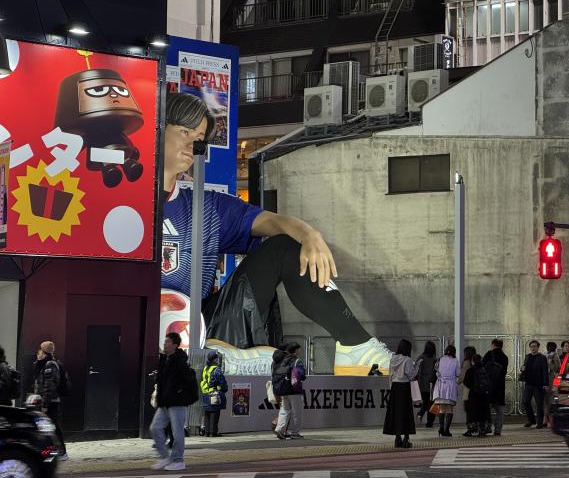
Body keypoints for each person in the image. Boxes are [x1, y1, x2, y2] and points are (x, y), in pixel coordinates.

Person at [161, 93, 391, 376]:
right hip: (140, 332)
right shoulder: (122, 205)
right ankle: (208, 356)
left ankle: (356, 349)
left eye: (198, 137)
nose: (192, 144)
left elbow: (272, 221)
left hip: (203, 329)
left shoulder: (206, 207)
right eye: (184, 132)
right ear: (158, 129)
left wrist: (309, 235)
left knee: (285, 247)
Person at [151, 332, 198, 472]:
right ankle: (164, 456)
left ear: (175, 345)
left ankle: (178, 460)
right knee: (155, 428)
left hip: (177, 403)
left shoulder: (180, 361)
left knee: (177, 433)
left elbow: (189, 381)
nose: (165, 344)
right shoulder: (164, 359)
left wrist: (180, 394)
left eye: (168, 342)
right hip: (165, 402)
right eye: (165, 342)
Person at [33, 341, 67, 459]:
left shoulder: (50, 365)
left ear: (45, 352)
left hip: (50, 403)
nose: (38, 352)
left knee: (53, 427)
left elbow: (50, 386)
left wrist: (45, 405)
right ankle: (48, 451)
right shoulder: (43, 364)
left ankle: (62, 452)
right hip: (45, 402)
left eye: (40, 350)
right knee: (46, 427)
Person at [383, 339, 416, 449]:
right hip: (404, 387)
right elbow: (411, 375)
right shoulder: (408, 360)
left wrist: (391, 387)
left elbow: (390, 375)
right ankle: (406, 439)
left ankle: (397, 439)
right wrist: (417, 368)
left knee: (396, 414)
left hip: (395, 388)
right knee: (406, 413)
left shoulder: (393, 359)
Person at [272, 342, 306, 440]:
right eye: (299, 349)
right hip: (294, 390)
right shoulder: (296, 360)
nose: (300, 351)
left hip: (283, 389)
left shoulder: (280, 360)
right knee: (297, 412)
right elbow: (301, 375)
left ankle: (280, 429)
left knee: (284, 410)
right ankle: (295, 433)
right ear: (295, 350)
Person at [431, 344, 459, 437]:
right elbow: (458, 373)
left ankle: (441, 428)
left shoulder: (440, 359)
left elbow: (436, 371)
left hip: (440, 386)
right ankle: (447, 430)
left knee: (442, 408)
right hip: (450, 386)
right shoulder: (455, 361)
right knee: (449, 408)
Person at [483, 339, 509, 436]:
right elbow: (504, 372)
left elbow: (482, 367)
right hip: (500, 387)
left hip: (488, 386)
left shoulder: (489, 354)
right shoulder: (505, 357)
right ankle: (498, 430)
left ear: (493, 344)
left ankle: (486, 427)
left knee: (486, 409)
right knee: (500, 410)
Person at [520, 339, 549, 428]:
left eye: (534, 346)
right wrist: (522, 368)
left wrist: (545, 384)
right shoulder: (527, 357)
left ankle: (539, 422)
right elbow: (523, 367)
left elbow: (545, 371)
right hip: (528, 383)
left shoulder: (542, 357)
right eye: (531, 346)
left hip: (538, 384)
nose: (533, 348)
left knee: (539, 403)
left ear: (538, 347)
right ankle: (531, 420)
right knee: (525, 401)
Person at [200, 351, 227, 438]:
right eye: (217, 358)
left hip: (206, 394)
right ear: (215, 360)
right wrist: (224, 389)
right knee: (215, 413)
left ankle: (207, 432)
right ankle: (213, 432)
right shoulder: (216, 370)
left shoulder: (205, 369)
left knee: (207, 412)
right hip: (214, 394)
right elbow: (222, 382)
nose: (218, 360)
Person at [463, 354, 491, 437]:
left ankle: (472, 429)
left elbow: (466, 382)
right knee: (483, 412)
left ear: (473, 361)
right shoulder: (484, 370)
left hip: (473, 394)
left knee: (473, 412)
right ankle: (483, 430)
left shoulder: (470, 370)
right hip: (484, 394)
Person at [415, 341, 437, 428]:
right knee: (431, 403)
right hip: (432, 385)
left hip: (423, 384)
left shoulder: (421, 358)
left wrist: (418, 385)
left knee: (426, 402)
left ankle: (420, 414)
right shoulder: (435, 359)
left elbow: (418, 372)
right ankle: (429, 422)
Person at [457, 345, 477, 423]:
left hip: (467, 388)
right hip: (475, 388)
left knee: (468, 407)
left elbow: (462, 376)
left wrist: (458, 382)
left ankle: (470, 424)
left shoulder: (466, 363)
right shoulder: (475, 362)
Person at [544, 341, 561, 428]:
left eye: (550, 347)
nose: (549, 348)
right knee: (546, 400)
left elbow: (557, 368)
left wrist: (550, 363)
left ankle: (549, 420)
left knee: (551, 400)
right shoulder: (545, 355)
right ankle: (546, 419)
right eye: (548, 346)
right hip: (545, 379)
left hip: (552, 380)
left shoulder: (555, 356)